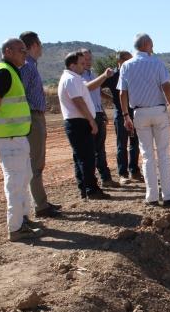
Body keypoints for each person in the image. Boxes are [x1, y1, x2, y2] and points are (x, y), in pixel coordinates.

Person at [0, 38, 42, 241]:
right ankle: (16, 227)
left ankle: (23, 219)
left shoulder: (11, 71)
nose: (25, 54)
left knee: (24, 177)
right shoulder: (4, 72)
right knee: (15, 182)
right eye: (21, 50)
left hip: (16, 136)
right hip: (9, 137)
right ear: (8, 51)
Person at [118, 33, 170, 206]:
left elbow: (123, 93)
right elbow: (166, 87)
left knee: (147, 156)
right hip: (158, 111)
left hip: (139, 113)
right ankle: (168, 196)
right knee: (163, 154)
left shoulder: (126, 66)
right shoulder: (157, 63)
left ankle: (151, 196)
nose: (153, 47)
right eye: (151, 44)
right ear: (145, 44)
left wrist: (125, 115)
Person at [58, 51, 112, 200]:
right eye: (81, 63)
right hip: (78, 123)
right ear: (72, 65)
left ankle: (85, 188)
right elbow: (78, 101)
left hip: (78, 122)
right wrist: (91, 120)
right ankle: (91, 190)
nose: (85, 66)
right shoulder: (70, 79)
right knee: (86, 158)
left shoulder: (74, 78)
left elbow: (87, 93)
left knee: (82, 157)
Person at [19, 31, 61, 218]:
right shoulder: (27, 67)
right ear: (34, 45)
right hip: (32, 117)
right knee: (35, 163)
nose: (42, 47)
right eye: (40, 43)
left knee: (37, 162)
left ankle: (41, 202)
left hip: (35, 116)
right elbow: (20, 94)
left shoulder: (30, 65)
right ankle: (41, 206)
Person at [102, 51, 142, 185]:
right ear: (120, 61)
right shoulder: (112, 75)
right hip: (120, 115)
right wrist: (111, 98)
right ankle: (122, 174)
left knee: (135, 143)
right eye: (128, 59)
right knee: (122, 144)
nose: (131, 62)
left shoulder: (133, 73)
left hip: (134, 113)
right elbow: (96, 88)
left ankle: (134, 171)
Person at [80, 48, 118, 188]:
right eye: (85, 59)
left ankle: (106, 178)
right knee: (89, 150)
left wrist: (107, 105)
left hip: (98, 113)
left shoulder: (93, 74)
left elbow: (97, 93)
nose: (88, 61)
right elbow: (88, 88)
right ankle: (89, 183)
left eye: (90, 58)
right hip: (87, 116)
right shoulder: (78, 76)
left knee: (100, 149)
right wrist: (104, 76)